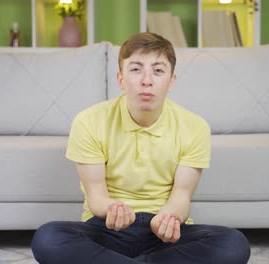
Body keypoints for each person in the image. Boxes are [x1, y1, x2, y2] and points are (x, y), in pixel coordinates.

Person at [31, 32, 250, 264]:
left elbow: (181, 197)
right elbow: (96, 196)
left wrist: (169, 217)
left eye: (158, 70)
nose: (147, 80)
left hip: (164, 232)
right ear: (120, 79)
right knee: (48, 238)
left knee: (233, 244)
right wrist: (112, 209)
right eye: (136, 69)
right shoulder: (89, 121)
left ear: (171, 81)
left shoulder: (195, 127)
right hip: (107, 229)